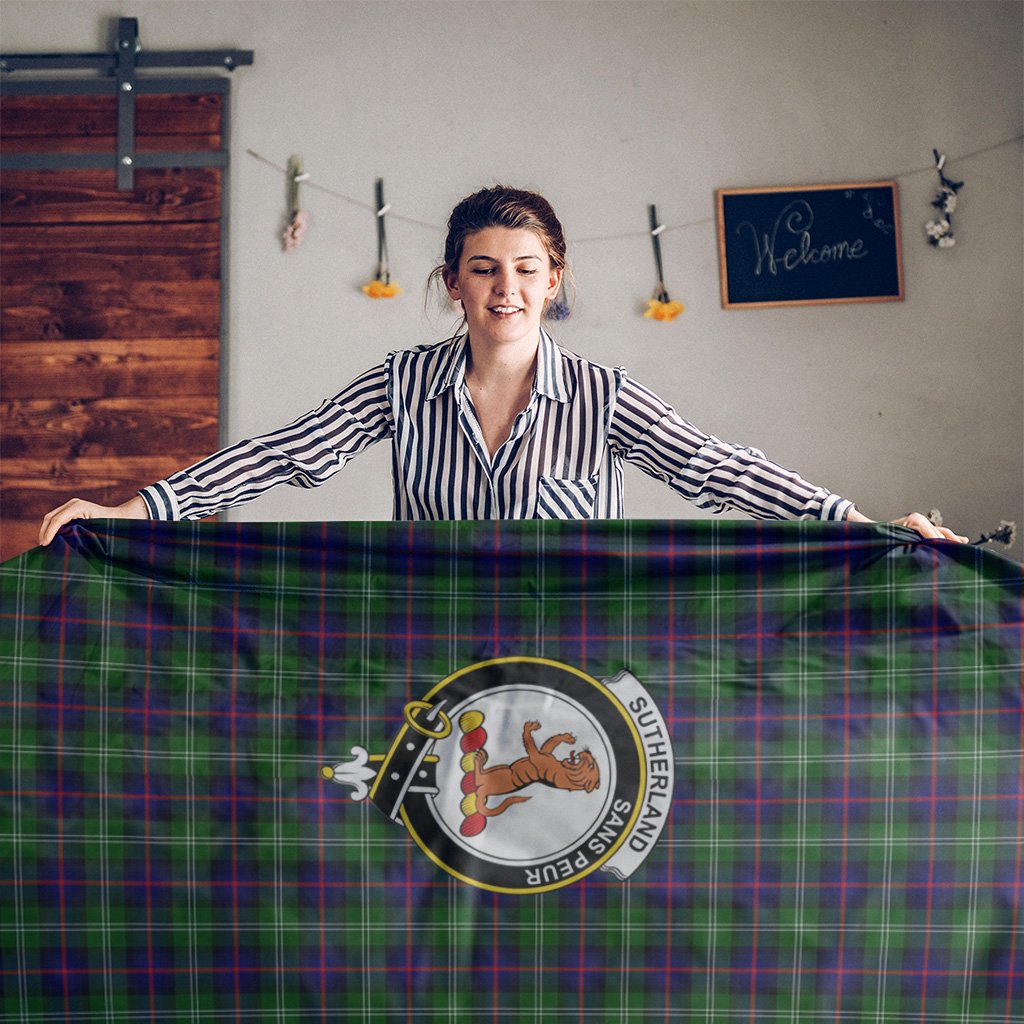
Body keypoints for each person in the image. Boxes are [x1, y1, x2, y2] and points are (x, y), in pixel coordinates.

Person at [38, 186, 967, 546]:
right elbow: (284, 455)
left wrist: (858, 522)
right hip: (431, 657)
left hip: (578, 663)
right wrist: (134, 510)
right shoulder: (402, 382)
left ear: (555, 281)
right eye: (484, 270)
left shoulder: (603, 397)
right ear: (453, 283)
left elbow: (718, 468)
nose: (506, 289)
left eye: (527, 271)